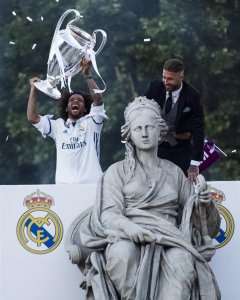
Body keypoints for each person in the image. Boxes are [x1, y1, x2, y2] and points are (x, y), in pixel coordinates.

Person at [69, 97, 220, 299]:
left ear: (160, 132)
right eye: (138, 128)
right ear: (129, 134)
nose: (145, 133)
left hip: (170, 238)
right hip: (127, 235)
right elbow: (108, 214)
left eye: (150, 127)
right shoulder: (117, 172)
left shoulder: (175, 173)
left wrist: (204, 202)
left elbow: (195, 219)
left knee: (182, 260)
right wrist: (131, 229)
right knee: (122, 254)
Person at [27, 58, 107, 184]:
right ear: (66, 107)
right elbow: (32, 117)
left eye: (80, 100)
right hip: (64, 188)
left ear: (86, 108)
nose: (75, 101)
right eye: (72, 100)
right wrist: (33, 90)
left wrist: (87, 75)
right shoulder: (57, 126)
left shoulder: (92, 122)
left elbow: (99, 101)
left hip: (92, 186)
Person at [144, 58, 204, 181]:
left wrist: (194, 164)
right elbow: (140, 110)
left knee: (182, 188)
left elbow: (199, 130)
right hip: (154, 149)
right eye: (164, 77)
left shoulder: (192, 96)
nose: (165, 81)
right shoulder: (154, 87)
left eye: (170, 78)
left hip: (180, 150)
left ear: (181, 77)